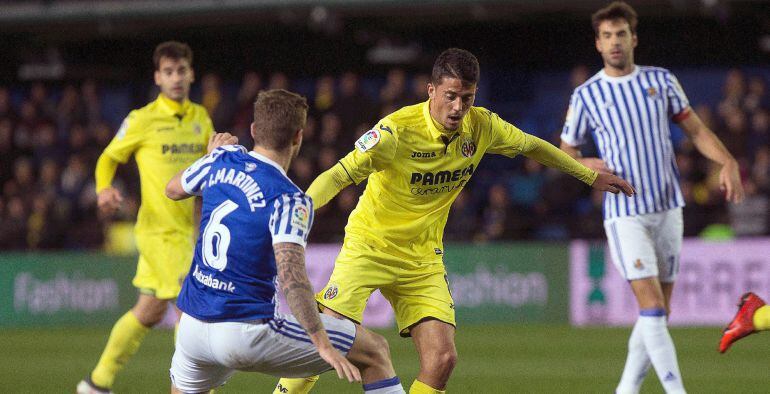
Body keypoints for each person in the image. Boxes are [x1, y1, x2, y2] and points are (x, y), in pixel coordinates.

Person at [275, 47, 634, 394]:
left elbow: (532, 146)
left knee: (443, 359)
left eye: (468, 97)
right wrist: (302, 209)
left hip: (422, 260)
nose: (459, 107)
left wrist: (587, 175)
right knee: (326, 343)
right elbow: (338, 175)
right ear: (431, 91)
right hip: (370, 248)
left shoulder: (481, 127)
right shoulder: (395, 132)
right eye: (451, 96)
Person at [166, 89, 406, 394]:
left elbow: (173, 189)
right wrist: (322, 344)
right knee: (374, 352)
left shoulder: (221, 160)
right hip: (245, 330)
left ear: (254, 130)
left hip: (192, 326)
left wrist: (210, 156)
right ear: (298, 137)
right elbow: (292, 280)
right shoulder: (290, 199)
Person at [559, 2, 744, 393]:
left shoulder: (661, 80)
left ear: (634, 38)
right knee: (653, 309)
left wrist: (727, 160)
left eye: (621, 34)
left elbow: (695, 130)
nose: (614, 42)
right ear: (597, 43)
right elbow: (565, 152)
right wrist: (589, 165)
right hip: (625, 212)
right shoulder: (587, 94)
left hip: (668, 208)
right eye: (607, 35)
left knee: (658, 314)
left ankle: (625, 390)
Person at [78, 41, 215, 394]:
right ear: (157, 77)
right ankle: (194, 390)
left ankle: (97, 382)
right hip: (159, 234)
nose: (176, 78)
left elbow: (205, 175)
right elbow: (108, 158)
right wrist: (103, 189)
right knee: (193, 314)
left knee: (150, 311)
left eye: (181, 70)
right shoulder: (142, 120)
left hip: (190, 233)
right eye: (168, 72)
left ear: (191, 73)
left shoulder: (201, 118)